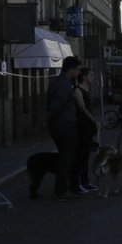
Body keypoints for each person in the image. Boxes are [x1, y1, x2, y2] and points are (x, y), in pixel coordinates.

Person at [46, 56, 82, 200]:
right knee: (66, 158)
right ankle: (61, 190)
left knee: (65, 156)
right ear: (71, 69)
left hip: (58, 124)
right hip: (64, 124)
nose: (79, 72)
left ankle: (63, 188)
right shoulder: (64, 85)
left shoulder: (56, 81)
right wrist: (52, 117)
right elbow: (57, 105)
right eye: (78, 70)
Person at [71, 67, 98, 194]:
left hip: (88, 126)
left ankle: (86, 181)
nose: (93, 77)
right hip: (81, 126)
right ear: (84, 77)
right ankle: (78, 183)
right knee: (80, 155)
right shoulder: (77, 90)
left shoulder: (87, 90)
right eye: (91, 75)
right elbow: (82, 108)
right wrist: (93, 119)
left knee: (86, 155)